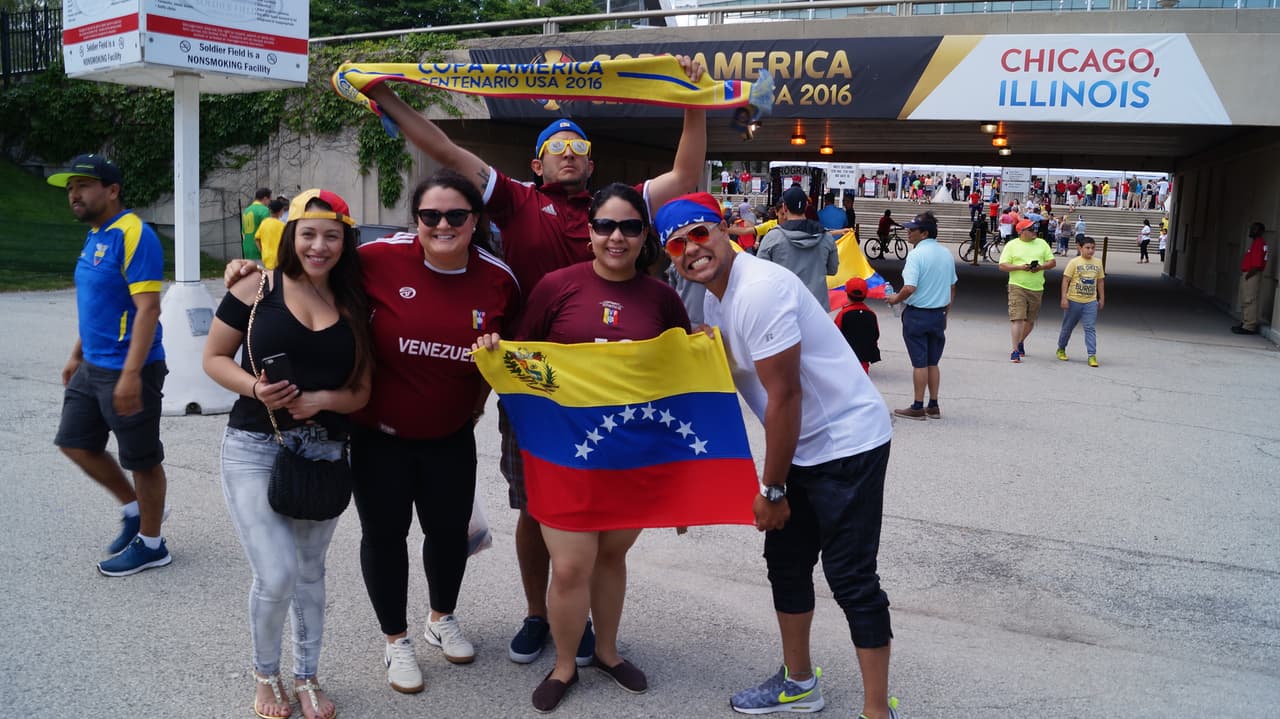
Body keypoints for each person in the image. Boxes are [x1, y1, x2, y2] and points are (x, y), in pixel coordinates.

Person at [361, 58, 707, 666]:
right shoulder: (515, 201)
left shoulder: (615, 213)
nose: (568, 154)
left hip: (609, 385)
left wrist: (695, 97)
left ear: (592, 164)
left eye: (579, 146)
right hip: (535, 380)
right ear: (537, 163)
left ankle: (597, 629)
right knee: (536, 506)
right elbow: (442, 146)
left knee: (607, 507)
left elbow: (685, 172)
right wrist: (387, 97)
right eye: (556, 147)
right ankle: (536, 614)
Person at [222, 172, 522, 695]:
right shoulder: (378, 258)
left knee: (449, 534)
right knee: (385, 537)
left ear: (476, 220)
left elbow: (516, 349)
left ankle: (441, 616)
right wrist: (252, 270)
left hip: (451, 432)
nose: (443, 225)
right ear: (416, 220)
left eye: (457, 216)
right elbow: (314, 260)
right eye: (431, 215)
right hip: (377, 433)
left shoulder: (499, 278)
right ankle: (396, 640)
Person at [655, 193, 899, 719]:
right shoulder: (719, 298)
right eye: (677, 245)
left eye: (700, 234)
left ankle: (877, 711)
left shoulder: (758, 289)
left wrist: (772, 490)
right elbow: (718, 380)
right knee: (786, 565)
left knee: (851, 576)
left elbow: (786, 397)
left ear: (726, 229)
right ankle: (799, 683)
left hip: (845, 444)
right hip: (801, 448)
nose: (691, 250)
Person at [476, 183, 690, 712]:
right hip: (566, 451)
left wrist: (683, 475)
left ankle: (610, 652)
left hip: (631, 454)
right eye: (605, 226)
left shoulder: (663, 297)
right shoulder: (555, 287)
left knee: (611, 556)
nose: (617, 237)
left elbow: (683, 381)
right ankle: (566, 664)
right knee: (571, 565)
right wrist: (494, 348)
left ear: (645, 236)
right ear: (589, 233)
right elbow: (524, 358)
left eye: (630, 227)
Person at [204, 189, 374, 719]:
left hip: (325, 452)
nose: (318, 246)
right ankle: (264, 677)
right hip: (255, 444)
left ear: (346, 240)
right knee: (275, 573)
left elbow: (362, 390)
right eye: (308, 233)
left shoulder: (353, 301)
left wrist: (322, 400)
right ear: (289, 235)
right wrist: (254, 389)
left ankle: (307, 677)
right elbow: (213, 357)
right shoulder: (256, 286)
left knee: (309, 572)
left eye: (331, 235)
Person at [46, 154, 172, 577]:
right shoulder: (97, 234)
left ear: (112, 189)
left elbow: (148, 308)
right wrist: (76, 353)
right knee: (75, 443)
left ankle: (153, 545)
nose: (74, 195)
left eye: (82, 186)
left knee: (142, 459)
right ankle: (136, 510)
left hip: (130, 367)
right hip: (92, 364)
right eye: (69, 189)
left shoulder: (134, 234)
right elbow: (100, 301)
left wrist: (133, 374)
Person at [885, 212, 956, 419]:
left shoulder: (916, 255)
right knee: (933, 362)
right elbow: (952, 286)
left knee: (919, 363)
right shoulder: (946, 254)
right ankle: (933, 404)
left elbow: (909, 287)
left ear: (924, 233)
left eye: (912, 230)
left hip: (917, 314)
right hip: (938, 314)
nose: (908, 232)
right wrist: (946, 312)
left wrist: (895, 299)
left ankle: (917, 406)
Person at [757, 185, 839, 309]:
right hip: (817, 309)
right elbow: (832, 269)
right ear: (806, 206)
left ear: (784, 207)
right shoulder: (826, 237)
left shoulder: (773, 237)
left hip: (783, 308)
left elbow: (760, 275)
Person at [999, 219, 1057, 362]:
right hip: (1017, 285)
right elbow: (1002, 265)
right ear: (1021, 232)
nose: (1034, 231)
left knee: (1030, 321)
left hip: (1036, 287)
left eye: (1035, 228)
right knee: (1017, 318)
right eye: (1031, 229)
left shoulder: (1042, 243)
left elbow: (1052, 262)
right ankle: (1015, 350)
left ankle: (1020, 341)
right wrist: (1019, 267)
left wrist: (1041, 267)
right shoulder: (1012, 245)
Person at [1056, 235, 1105, 368]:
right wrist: (1064, 298)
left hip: (1090, 301)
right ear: (1080, 248)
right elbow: (1065, 280)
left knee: (1090, 328)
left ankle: (1092, 355)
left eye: (1093, 248)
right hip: (1074, 300)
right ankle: (1061, 348)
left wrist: (1101, 298)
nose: (1090, 251)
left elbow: (1100, 281)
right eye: (1087, 248)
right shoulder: (1074, 262)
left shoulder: (1098, 263)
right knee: (1067, 327)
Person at [834, 277, 880, 374]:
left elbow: (835, 334)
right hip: (864, 357)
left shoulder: (843, 314)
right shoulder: (871, 314)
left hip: (846, 357)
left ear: (847, 294)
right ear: (866, 294)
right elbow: (875, 335)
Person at [1232, 222, 1269, 335]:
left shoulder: (1259, 243)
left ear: (1261, 231)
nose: (1251, 231)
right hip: (1249, 274)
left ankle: (1249, 326)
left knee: (1249, 300)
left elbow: (1257, 265)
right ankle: (1245, 322)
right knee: (1245, 299)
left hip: (1252, 274)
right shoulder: (1255, 243)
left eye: (1255, 229)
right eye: (1252, 228)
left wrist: (1247, 275)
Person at [255, 196, 289, 270]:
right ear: (280, 211)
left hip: (266, 257)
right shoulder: (282, 225)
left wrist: (261, 250)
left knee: (269, 277)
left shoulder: (264, 223)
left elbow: (257, 239)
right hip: (279, 258)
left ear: (270, 211)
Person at [242, 187, 272, 261]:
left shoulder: (246, 210)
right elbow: (267, 232)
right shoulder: (265, 210)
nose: (270, 202)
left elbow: (243, 232)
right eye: (269, 200)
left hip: (247, 249)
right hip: (259, 250)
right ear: (265, 198)